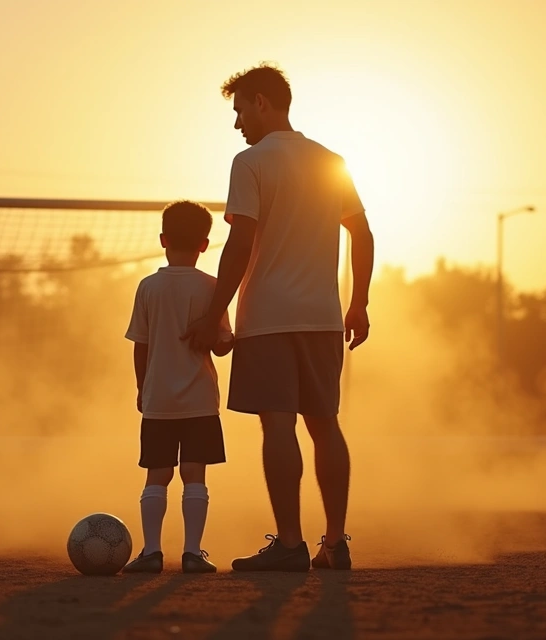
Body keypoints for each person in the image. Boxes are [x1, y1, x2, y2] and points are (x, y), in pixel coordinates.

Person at [184, 63, 375, 571]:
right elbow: (363, 234)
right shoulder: (331, 161)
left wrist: (213, 313)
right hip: (322, 317)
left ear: (263, 102)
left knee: (279, 427)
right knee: (326, 426)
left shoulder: (250, 162)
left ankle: (290, 545)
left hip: (269, 317)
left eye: (241, 109)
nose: (238, 122)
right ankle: (334, 543)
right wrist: (359, 303)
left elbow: (241, 242)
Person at [122, 200, 234, 574]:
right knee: (194, 474)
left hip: (159, 399)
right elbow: (221, 345)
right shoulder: (214, 289)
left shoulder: (148, 287)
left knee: (157, 474)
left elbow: (142, 343)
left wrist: (142, 387)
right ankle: (192, 552)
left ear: (163, 240)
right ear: (205, 244)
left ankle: (151, 552)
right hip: (201, 398)